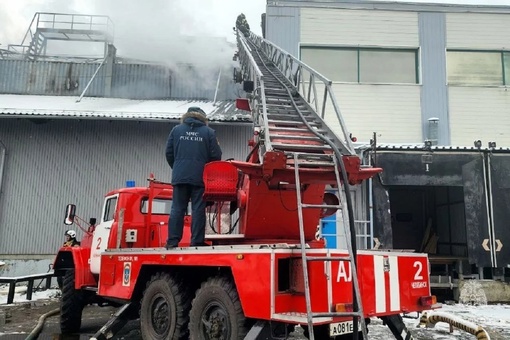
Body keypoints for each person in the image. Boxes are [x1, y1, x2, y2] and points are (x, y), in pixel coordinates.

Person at [165, 107, 222, 249]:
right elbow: (216, 156)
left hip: (180, 176)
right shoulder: (208, 132)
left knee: (177, 208)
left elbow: (169, 153)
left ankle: (172, 242)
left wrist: (178, 168)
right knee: (198, 209)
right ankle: (196, 241)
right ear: (203, 117)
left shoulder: (176, 130)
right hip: (200, 177)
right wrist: (207, 171)